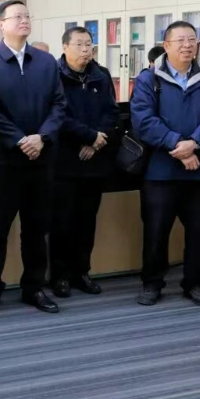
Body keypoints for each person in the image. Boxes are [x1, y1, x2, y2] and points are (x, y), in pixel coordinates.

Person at [0, 0, 67, 316]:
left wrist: (42, 137)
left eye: (27, 15)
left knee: (36, 228)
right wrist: (19, 139)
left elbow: (59, 105)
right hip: (2, 160)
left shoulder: (46, 61)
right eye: (17, 16)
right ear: (1, 24)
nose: (24, 20)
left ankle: (33, 286)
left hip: (41, 158)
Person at [130, 20, 200, 308]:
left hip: (199, 171)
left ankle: (195, 283)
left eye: (192, 40)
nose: (187, 45)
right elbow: (143, 120)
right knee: (156, 231)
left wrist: (194, 143)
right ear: (166, 45)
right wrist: (179, 146)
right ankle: (152, 283)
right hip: (160, 171)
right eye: (181, 40)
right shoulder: (149, 79)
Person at [49, 26, 119, 298]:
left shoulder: (101, 75)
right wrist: (88, 136)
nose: (85, 49)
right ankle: (60, 275)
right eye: (79, 44)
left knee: (87, 221)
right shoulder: (53, 76)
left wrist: (96, 141)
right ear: (65, 47)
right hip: (64, 160)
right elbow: (56, 115)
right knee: (62, 222)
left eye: (89, 44)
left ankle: (82, 272)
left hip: (94, 160)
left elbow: (111, 113)